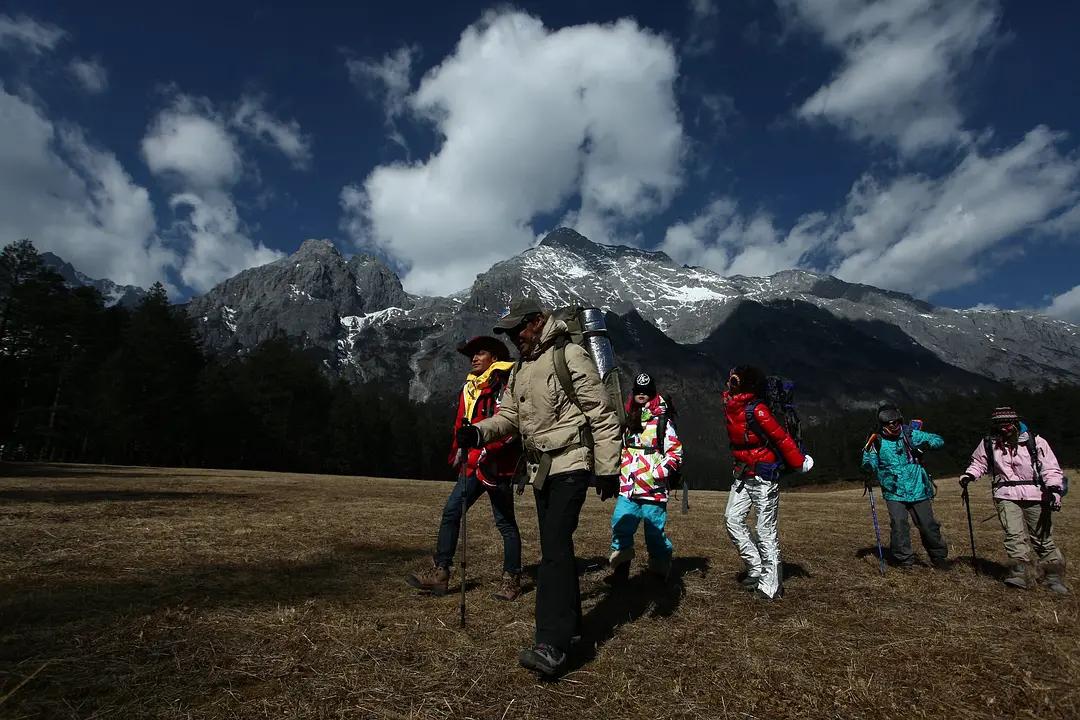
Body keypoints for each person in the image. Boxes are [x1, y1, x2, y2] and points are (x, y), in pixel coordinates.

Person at [457, 297, 622, 677]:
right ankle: (573, 627)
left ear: (537, 322)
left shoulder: (571, 355)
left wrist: (608, 468)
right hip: (540, 470)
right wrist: (478, 432)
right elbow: (509, 417)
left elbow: (601, 413)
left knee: (554, 550)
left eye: (518, 329)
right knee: (555, 546)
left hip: (572, 463)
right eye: (510, 332)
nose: (514, 337)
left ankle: (553, 644)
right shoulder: (521, 368)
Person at [406, 336, 523, 601]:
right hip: (471, 464)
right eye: (472, 354)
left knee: (505, 523)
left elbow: (510, 426)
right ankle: (441, 572)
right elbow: (461, 424)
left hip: (497, 466)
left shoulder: (505, 385)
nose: (474, 358)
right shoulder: (470, 387)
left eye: (480, 353)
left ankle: (511, 578)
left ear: (495, 357)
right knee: (451, 512)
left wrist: (487, 449)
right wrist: (457, 451)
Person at [722, 366, 812, 600]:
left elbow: (781, 439)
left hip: (763, 476)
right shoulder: (732, 406)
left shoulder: (757, 410)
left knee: (765, 531)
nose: (730, 382)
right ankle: (756, 567)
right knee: (732, 519)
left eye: (735, 380)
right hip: (744, 473)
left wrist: (800, 462)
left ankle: (771, 587)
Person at [960, 406, 1068, 594]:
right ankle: (1020, 574)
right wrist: (970, 475)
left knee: (1042, 538)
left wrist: (1054, 489)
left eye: (1008, 423)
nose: (1004, 427)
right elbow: (979, 462)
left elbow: (1050, 468)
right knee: (1013, 536)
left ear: (1015, 421)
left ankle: (1053, 577)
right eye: (1000, 424)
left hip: (1037, 494)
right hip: (1006, 494)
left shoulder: (1036, 442)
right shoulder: (989, 442)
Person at [606, 372, 683, 585]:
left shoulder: (662, 421)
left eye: (646, 392)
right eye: (638, 391)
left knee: (654, 533)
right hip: (628, 486)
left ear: (652, 394)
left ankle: (659, 573)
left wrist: (657, 473)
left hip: (653, 489)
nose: (642, 395)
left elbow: (675, 452)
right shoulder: (627, 418)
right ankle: (620, 573)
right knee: (620, 525)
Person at [861, 403, 949, 570]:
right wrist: (868, 468)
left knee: (927, 525)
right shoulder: (875, 440)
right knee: (899, 525)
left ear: (900, 420)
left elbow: (938, 440)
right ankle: (904, 561)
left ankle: (938, 557)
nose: (893, 426)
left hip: (918, 487)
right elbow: (868, 459)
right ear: (882, 424)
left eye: (896, 422)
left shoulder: (910, 434)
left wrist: (924, 446)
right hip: (893, 490)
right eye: (888, 423)